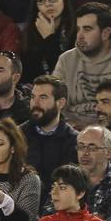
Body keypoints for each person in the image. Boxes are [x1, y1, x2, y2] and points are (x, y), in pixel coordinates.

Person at [20, 75, 78, 210]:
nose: (35, 103)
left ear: (61, 103)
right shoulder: (17, 135)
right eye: (33, 97)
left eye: (43, 98)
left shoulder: (73, 141)